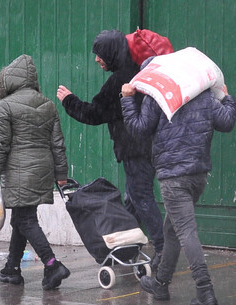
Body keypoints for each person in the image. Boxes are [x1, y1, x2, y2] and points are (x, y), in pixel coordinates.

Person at [120, 64, 236, 305]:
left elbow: (138, 129)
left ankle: (205, 290)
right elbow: (226, 122)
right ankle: (161, 284)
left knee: (186, 232)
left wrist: (128, 100)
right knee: (172, 229)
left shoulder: (157, 97)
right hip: (198, 175)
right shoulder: (203, 95)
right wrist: (227, 98)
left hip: (173, 176)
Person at [56, 29, 164, 269]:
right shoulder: (138, 71)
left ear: (112, 53)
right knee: (133, 201)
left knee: (141, 197)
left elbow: (95, 113)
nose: (96, 59)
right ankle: (124, 250)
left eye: (100, 54)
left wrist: (69, 101)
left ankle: (163, 249)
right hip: (148, 148)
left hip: (136, 150)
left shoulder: (120, 80)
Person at [0, 54, 71, 291]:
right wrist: (61, 173)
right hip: (43, 169)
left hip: (20, 170)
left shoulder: (5, 106)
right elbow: (58, 144)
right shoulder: (48, 104)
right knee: (21, 219)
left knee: (25, 219)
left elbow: (0, 144)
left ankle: (52, 264)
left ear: (10, 80)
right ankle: (12, 268)